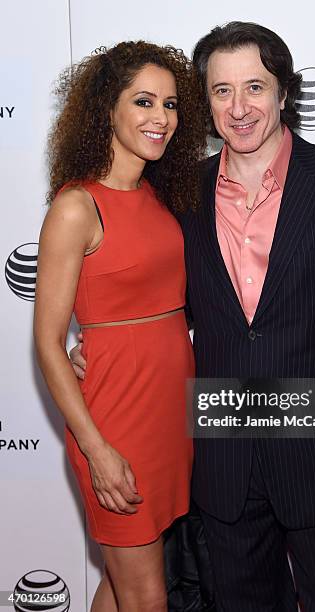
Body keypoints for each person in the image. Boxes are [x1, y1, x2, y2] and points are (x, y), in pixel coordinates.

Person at [71, 22, 315, 612]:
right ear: (205, 103)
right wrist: (101, 341)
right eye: (221, 90)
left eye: (255, 87)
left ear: (284, 93)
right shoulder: (178, 195)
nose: (239, 108)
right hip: (222, 459)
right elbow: (144, 286)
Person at [34, 41, 206, 612]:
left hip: (167, 414)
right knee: (147, 596)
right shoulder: (77, 207)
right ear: (107, 106)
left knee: (123, 584)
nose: (161, 118)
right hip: (115, 420)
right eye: (143, 102)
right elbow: (48, 343)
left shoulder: (160, 195)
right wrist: (96, 449)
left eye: (171, 103)